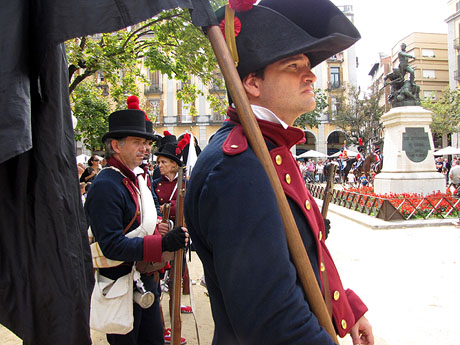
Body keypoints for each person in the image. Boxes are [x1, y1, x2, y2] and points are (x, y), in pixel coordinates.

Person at [184, 1, 373, 345]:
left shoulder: (268, 150)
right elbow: (272, 321)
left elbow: (299, 256)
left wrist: (346, 306)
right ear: (252, 83)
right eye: (293, 64)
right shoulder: (238, 168)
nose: (312, 74)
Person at [85, 108, 189, 345]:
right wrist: (161, 244)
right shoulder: (105, 185)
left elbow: (143, 222)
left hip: (144, 280)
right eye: (137, 142)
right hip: (119, 285)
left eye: (146, 142)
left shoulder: (136, 179)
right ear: (116, 145)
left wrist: (160, 228)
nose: (145, 148)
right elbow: (110, 245)